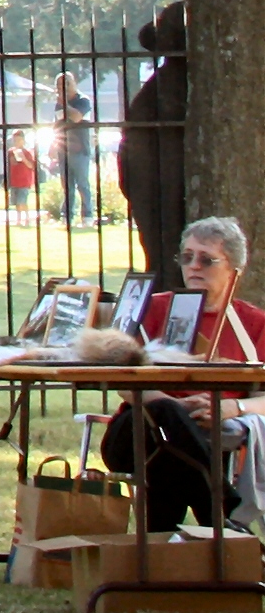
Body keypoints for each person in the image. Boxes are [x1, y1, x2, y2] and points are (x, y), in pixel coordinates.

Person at [98, 217, 262, 532]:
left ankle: (161, 550)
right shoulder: (151, 309)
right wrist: (178, 406)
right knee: (166, 413)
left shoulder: (254, 323)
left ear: (233, 269)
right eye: (187, 257)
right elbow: (123, 383)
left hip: (211, 439)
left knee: (171, 458)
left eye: (206, 259)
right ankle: (224, 517)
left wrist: (232, 407)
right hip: (137, 433)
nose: (194, 267)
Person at [125, 5, 189, 286]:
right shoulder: (164, 86)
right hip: (155, 182)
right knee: (164, 253)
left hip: (158, 182)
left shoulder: (165, 85)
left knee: (167, 252)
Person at [51, 72, 97, 228]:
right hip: (63, 149)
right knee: (67, 185)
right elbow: (57, 125)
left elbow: (77, 117)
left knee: (82, 184)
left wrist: (65, 104)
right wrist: (53, 145)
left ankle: (87, 216)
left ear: (73, 84)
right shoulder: (58, 104)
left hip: (80, 150)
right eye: (58, 85)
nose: (61, 88)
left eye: (66, 84)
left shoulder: (83, 101)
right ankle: (67, 216)